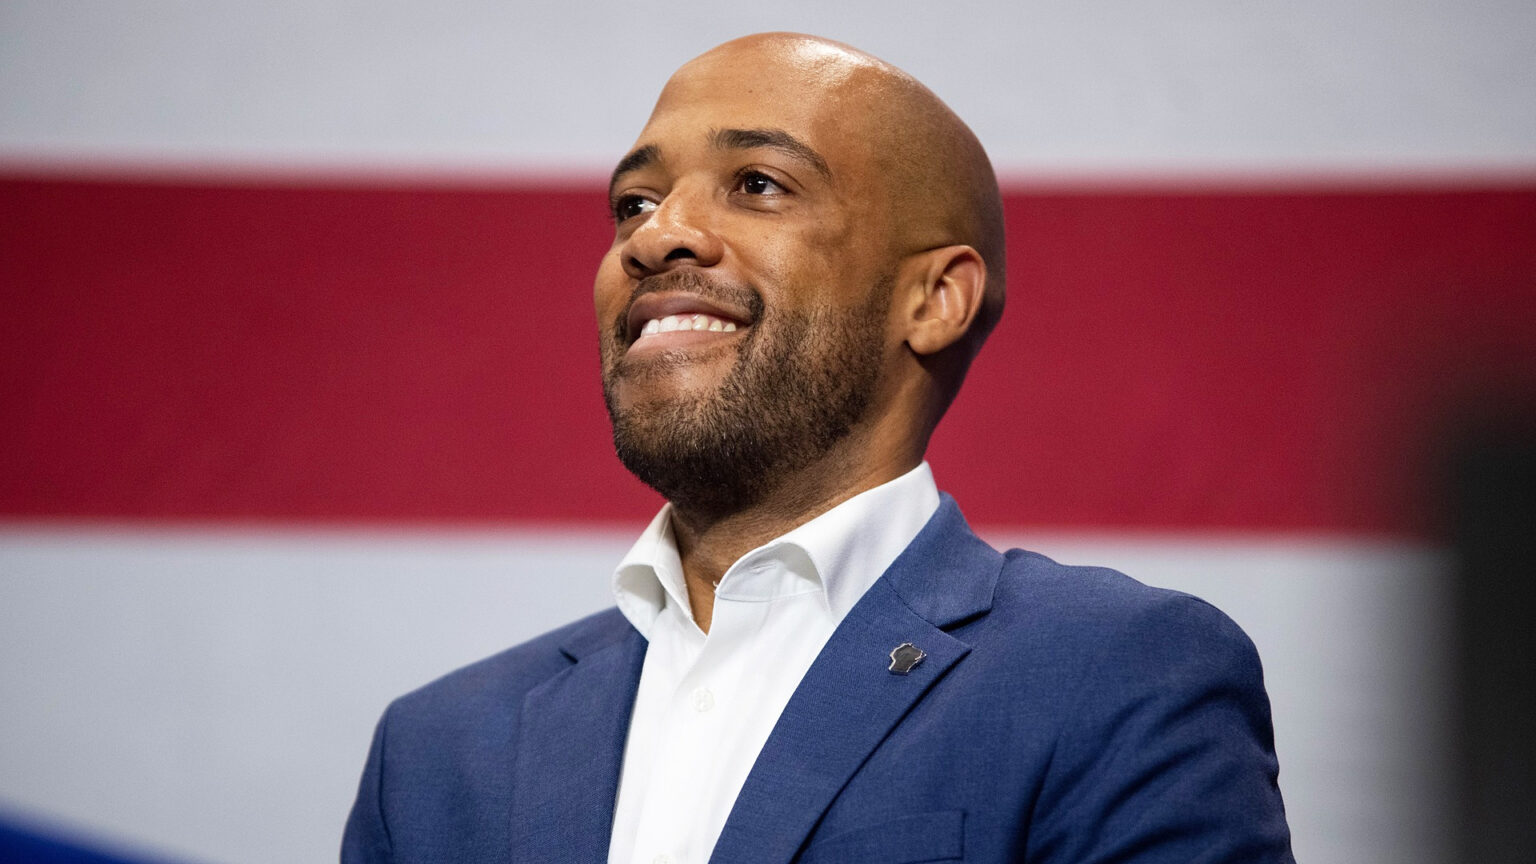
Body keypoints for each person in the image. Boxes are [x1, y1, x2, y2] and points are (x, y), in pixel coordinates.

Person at [342, 32, 1294, 864]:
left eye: (758, 184)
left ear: (933, 300)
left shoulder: (1116, 675)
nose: (656, 234)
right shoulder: (435, 752)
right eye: (633, 204)